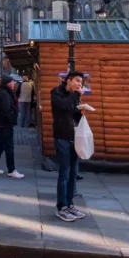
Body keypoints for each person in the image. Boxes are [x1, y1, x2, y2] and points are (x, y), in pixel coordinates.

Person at [51, 71, 86, 222]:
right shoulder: (56, 92)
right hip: (62, 138)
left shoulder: (74, 96)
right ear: (68, 81)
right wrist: (76, 96)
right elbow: (63, 106)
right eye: (77, 81)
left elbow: (73, 114)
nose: (80, 84)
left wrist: (82, 111)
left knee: (73, 173)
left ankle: (70, 204)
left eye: (81, 82)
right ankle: (61, 207)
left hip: (74, 137)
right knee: (64, 173)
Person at [0, 76, 23, 178]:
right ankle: (11, 170)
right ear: (8, 83)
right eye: (12, 82)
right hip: (5, 123)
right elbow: (7, 110)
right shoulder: (4, 94)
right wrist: (12, 120)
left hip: (2, 123)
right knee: (9, 147)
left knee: (0, 146)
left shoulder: (3, 93)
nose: (14, 84)